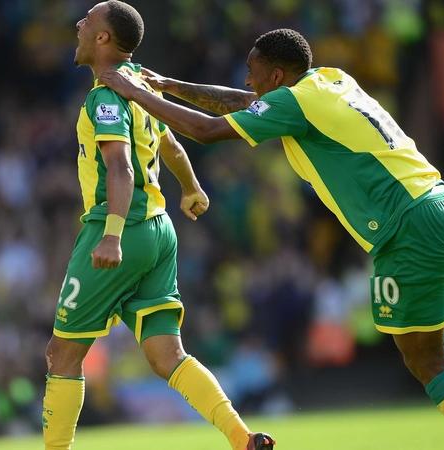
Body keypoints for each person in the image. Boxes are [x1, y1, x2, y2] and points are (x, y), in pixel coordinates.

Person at [99, 28, 444, 449]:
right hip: (443, 204)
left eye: (252, 72)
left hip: (405, 224)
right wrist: (167, 84)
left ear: (277, 76)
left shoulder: (295, 102)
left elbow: (210, 131)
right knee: (430, 347)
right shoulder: (331, 80)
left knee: (425, 361)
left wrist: (136, 93)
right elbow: (247, 103)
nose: (246, 80)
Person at [42, 3, 275, 450]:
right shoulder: (143, 84)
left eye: (88, 20)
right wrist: (191, 187)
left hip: (120, 227)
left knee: (62, 354)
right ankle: (241, 436)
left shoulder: (106, 95)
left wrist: (111, 234)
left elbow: (121, 168)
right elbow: (170, 144)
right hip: (159, 230)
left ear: (103, 38)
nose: (79, 24)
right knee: (168, 355)